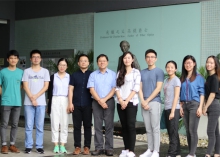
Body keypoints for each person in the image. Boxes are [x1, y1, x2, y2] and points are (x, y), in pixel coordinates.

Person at [87, 54, 116, 156]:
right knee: (97, 126)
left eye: (104, 61)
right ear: (97, 63)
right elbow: (91, 89)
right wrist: (100, 100)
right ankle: (98, 148)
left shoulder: (113, 74)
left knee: (109, 126)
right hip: (96, 102)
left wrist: (104, 100)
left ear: (107, 62)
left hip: (109, 101)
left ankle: (109, 148)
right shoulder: (93, 75)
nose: (102, 62)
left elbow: (114, 89)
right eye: (100, 61)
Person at [22, 49, 50, 154]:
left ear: (41, 59)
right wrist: (32, 98)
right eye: (34, 57)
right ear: (30, 59)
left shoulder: (45, 71)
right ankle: (28, 146)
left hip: (41, 103)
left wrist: (36, 97)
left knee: (39, 125)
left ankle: (39, 146)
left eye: (38, 57)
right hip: (28, 103)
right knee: (28, 125)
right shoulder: (26, 71)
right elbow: (25, 86)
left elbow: (46, 86)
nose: (36, 59)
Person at [139, 49, 164, 157]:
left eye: (152, 57)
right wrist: (142, 101)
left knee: (155, 127)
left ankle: (156, 151)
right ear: (145, 59)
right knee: (148, 128)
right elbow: (139, 88)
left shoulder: (159, 71)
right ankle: (150, 149)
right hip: (144, 102)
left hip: (154, 102)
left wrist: (147, 100)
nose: (150, 59)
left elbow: (158, 88)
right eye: (148, 57)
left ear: (156, 58)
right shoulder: (142, 72)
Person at [115, 52, 141, 157]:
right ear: (123, 60)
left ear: (132, 59)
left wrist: (126, 101)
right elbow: (116, 87)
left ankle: (131, 150)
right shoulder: (119, 72)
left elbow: (136, 88)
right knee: (124, 126)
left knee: (131, 125)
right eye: (125, 58)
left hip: (131, 102)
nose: (127, 60)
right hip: (120, 103)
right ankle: (126, 149)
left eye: (129, 58)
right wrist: (121, 100)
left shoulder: (136, 72)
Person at [179, 55, 205, 157]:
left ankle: (192, 153)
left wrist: (200, 107)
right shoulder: (182, 78)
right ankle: (191, 153)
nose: (188, 65)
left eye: (190, 63)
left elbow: (202, 93)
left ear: (194, 64)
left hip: (194, 104)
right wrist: (180, 106)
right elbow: (180, 93)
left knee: (192, 130)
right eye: (186, 63)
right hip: (184, 105)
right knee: (188, 131)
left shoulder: (199, 77)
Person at [67, 54, 93, 155]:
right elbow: (70, 89)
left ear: (88, 63)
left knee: (87, 126)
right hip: (76, 104)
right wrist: (70, 103)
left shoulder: (92, 74)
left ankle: (87, 147)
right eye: (81, 61)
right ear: (78, 63)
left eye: (85, 61)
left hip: (88, 104)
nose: (83, 62)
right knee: (76, 127)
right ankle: (77, 147)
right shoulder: (73, 75)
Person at [0, 50, 23, 154]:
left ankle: (12, 144)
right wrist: (3, 95)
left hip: (17, 102)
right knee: (4, 124)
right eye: (11, 58)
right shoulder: (2, 72)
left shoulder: (21, 72)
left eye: (15, 58)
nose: (13, 60)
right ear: (7, 60)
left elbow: (23, 85)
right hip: (6, 101)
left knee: (15, 124)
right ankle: (4, 145)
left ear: (18, 59)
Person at [47, 58, 70, 153]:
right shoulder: (53, 77)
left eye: (64, 65)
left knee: (64, 124)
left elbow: (71, 91)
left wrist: (70, 103)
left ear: (67, 66)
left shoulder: (69, 77)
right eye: (60, 64)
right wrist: (48, 105)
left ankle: (63, 145)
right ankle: (56, 145)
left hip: (66, 100)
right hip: (54, 100)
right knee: (54, 123)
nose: (62, 67)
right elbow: (49, 92)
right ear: (57, 65)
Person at [202, 56, 220, 157]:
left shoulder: (215, 78)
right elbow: (207, 94)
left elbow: (213, 94)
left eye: (211, 63)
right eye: (207, 62)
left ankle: (208, 153)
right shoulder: (209, 77)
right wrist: (204, 104)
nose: (209, 64)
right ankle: (217, 153)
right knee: (216, 131)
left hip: (214, 105)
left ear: (215, 65)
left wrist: (205, 107)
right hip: (211, 104)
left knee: (210, 131)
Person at [163, 61, 181, 157]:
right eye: (168, 67)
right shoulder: (167, 81)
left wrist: (173, 111)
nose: (170, 69)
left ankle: (171, 153)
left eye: (172, 67)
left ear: (175, 69)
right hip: (167, 108)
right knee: (171, 131)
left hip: (173, 108)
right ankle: (177, 152)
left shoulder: (176, 80)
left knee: (173, 131)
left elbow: (176, 96)